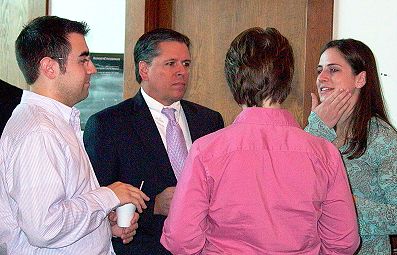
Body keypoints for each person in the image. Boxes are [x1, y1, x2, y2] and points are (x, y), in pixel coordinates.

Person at [161, 27, 360, 254]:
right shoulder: (324, 153)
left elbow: (181, 239)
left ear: (233, 79)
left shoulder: (206, 151)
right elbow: (344, 242)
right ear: (287, 79)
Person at [0, 16, 150, 254]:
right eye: (83, 60)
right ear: (49, 67)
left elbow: (61, 210)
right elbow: (44, 228)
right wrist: (108, 196)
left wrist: (102, 225)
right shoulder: (39, 131)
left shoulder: (56, 122)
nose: (93, 68)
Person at [83, 28, 224, 254]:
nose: (181, 72)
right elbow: (98, 200)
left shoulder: (209, 120)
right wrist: (154, 206)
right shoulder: (109, 124)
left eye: (186, 64)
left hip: (205, 246)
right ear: (144, 69)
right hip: (145, 246)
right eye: (171, 64)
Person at [305, 38, 397, 254]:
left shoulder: (384, 140)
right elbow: (288, 186)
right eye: (319, 70)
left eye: (333, 70)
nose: (321, 78)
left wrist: (347, 203)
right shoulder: (316, 129)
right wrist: (315, 130)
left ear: (360, 79)